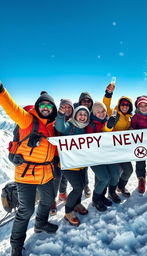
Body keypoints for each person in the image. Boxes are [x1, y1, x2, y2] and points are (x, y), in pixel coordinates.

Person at [0, 84, 58, 256]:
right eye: (42, 105)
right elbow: (11, 108)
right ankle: (16, 246)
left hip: (46, 173)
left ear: (52, 109)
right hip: (26, 174)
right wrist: (1, 91)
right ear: (37, 107)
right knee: (26, 210)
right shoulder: (27, 120)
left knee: (48, 200)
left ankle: (41, 224)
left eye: (49, 105)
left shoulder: (52, 127)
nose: (45, 108)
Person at [55, 105, 90, 226]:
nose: (82, 117)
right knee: (78, 187)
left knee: (83, 183)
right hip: (68, 164)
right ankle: (68, 211)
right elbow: (59, 126)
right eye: (80, 114)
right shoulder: (69, 126)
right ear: (75, 115)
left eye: (85, 115)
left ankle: (77, 203)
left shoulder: (86, 128)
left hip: (81, 163)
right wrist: (60, 115)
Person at [87, 102, 121, 211]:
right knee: (104, 178)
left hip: (108, 154)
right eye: (98, 112)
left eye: (103, 111)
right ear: (93, 113)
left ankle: (107, 194)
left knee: (115, 174)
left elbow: (113, 138)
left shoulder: (109, 121)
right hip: (95, 157)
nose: (101, 114)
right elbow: (90, 139)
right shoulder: (90, 124)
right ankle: (96, 198)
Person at [103, 83, 133, 197]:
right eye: (123, 104)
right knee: (114, 173)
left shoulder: (129, 118)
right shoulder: (114, 113)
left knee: (128, 170)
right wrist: (108, 93)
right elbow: (105, 105)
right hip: (111, 150)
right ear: (119, 105)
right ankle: (111, 191)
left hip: (123, 150)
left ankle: (121, 186)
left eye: (127, 104)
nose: (125, 106)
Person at [50, 99, 73, 216]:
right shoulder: (55, 121)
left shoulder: (75, 120)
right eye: (64, 107)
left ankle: (62, 193)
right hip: (56, 155)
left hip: (68, 155)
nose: (67, 109)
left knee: (65, 176)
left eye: (69, 107)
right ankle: (52, 200)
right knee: (57, 176)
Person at [74, 92, 94, 197]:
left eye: (88, 101)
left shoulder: (93, 112)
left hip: (87, 143)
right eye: (84, 101)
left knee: (84, 167)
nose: (86, 103)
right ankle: (64, 192)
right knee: (68, 167)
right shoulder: (73, 110)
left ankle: (85, 186)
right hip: (73, 143)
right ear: (80, 102)